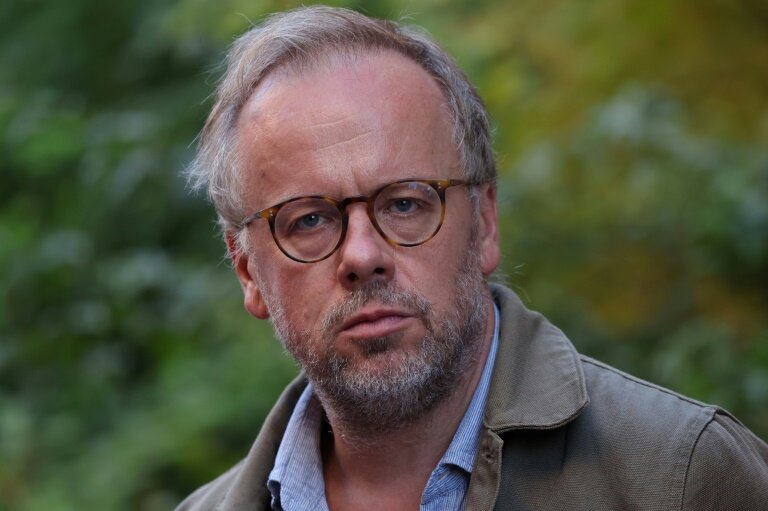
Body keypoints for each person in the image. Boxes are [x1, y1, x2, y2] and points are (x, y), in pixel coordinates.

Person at [176, 6, 768, 510]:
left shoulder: (683, 477)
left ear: (484, 223)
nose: (361, 255)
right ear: (248, 271)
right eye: (308, 220)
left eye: (406, 203)